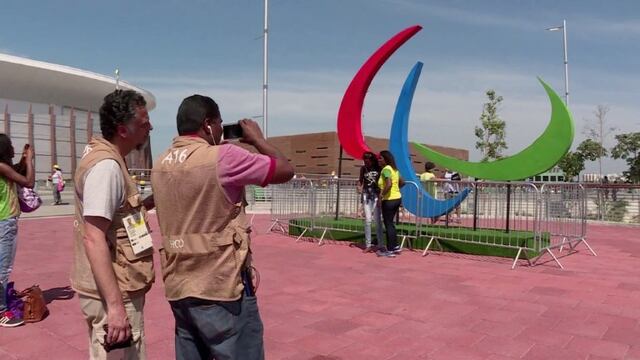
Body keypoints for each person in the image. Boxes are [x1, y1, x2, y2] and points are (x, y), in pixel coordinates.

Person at [151, 95, 294, 360]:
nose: (220, 130)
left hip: (179, 285)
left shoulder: (160, 164)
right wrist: (257, 140)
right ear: (207, 125)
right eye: (218, 124)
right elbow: (285, 170)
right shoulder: (223, 157)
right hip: (220, 286)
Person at [70, 90, 155, 359]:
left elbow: (116, 216)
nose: (150, 127)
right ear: (122, 129)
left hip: (113, 286)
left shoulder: (108, 159)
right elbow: (93, 237)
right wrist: (116, 307)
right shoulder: (106, 167)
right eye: (143, 123)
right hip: (115, 291)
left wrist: (149, 202)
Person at [0, 135, 34, 327]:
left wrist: (23, 159)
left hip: (4, 222)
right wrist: (29, 160)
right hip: (4, 223)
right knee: (3, 270)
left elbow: (17, 173)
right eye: (10, 146)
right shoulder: (1, 166)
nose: (12, 148)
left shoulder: (4, 168)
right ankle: (1, 311)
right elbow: (28, 182)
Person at [377, 150, 404, 257]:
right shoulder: (394, 170)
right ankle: (395, 246)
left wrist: (381, 195)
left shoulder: (386, 170)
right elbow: (402, 182)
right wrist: (396, 189)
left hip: (389, 200)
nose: (378, 160)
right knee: (390, 224)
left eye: (380, 158)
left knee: (388, 224)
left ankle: (390, 249)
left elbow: (388, 184)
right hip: (397, 198)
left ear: (386, 159)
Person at [358, 151, 384, 253]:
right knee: (368, 220)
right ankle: (368, 244)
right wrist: (358, 186)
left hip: (376, 195)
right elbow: (361, 180)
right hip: (366, 195)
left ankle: (381, 244)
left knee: (377, 221)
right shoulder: (363, 169)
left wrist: (381, 195)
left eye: (367, 161)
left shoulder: (378, 168)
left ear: (372, 160)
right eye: (364, 161)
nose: (366, 163)